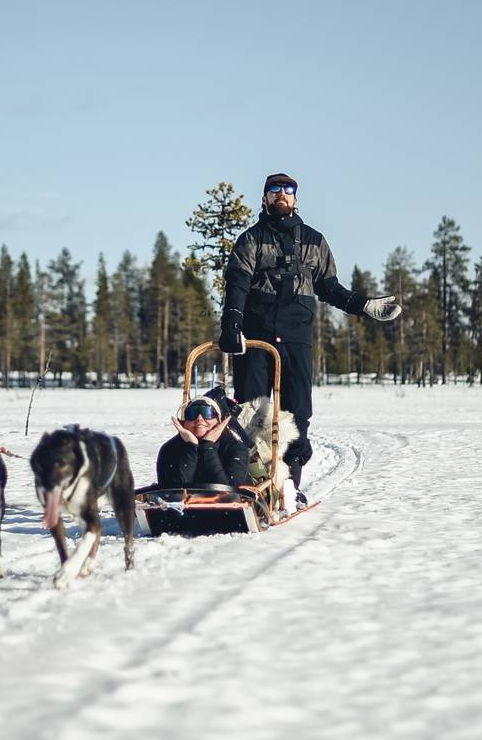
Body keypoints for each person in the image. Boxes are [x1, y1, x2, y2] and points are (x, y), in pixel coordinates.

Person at [218, 171, 400, 502]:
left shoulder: (315, 242)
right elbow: (237, 283)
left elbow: (329, 287)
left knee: (297, 412)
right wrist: (231, 324)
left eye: (288, 190)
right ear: (265, 198)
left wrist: (363, 305)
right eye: (275, 189)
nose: (282, 194)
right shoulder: (250, 239)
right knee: (251, 412)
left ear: (296, 198)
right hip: (257, 338)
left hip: (296, 337)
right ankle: (253, 483)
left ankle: (290, 487)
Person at [156, 387, 251, 489]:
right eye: (192, 414)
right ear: (184, 422)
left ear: (219, 421)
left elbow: (230, 492)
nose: (199, 419)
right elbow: (172, 491)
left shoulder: (236, 448)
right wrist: (191, 447)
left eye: (207, 413)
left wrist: (208, 447)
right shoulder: (169, 449)